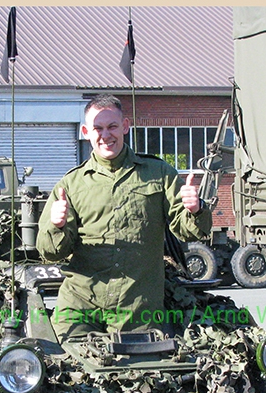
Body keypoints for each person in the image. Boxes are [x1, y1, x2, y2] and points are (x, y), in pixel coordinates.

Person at [36, 94, 211, 339]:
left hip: (137, 309)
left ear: (125, 126)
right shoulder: (71, 185)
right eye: (97, 128)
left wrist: (195, 210)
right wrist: (57, 225)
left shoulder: (159, 174)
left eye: (112, 126)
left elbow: (189, 231)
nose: (105, 135)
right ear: (86, 131)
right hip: (81, 307)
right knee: (65, 368)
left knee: (142, 374)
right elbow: (49, 252)